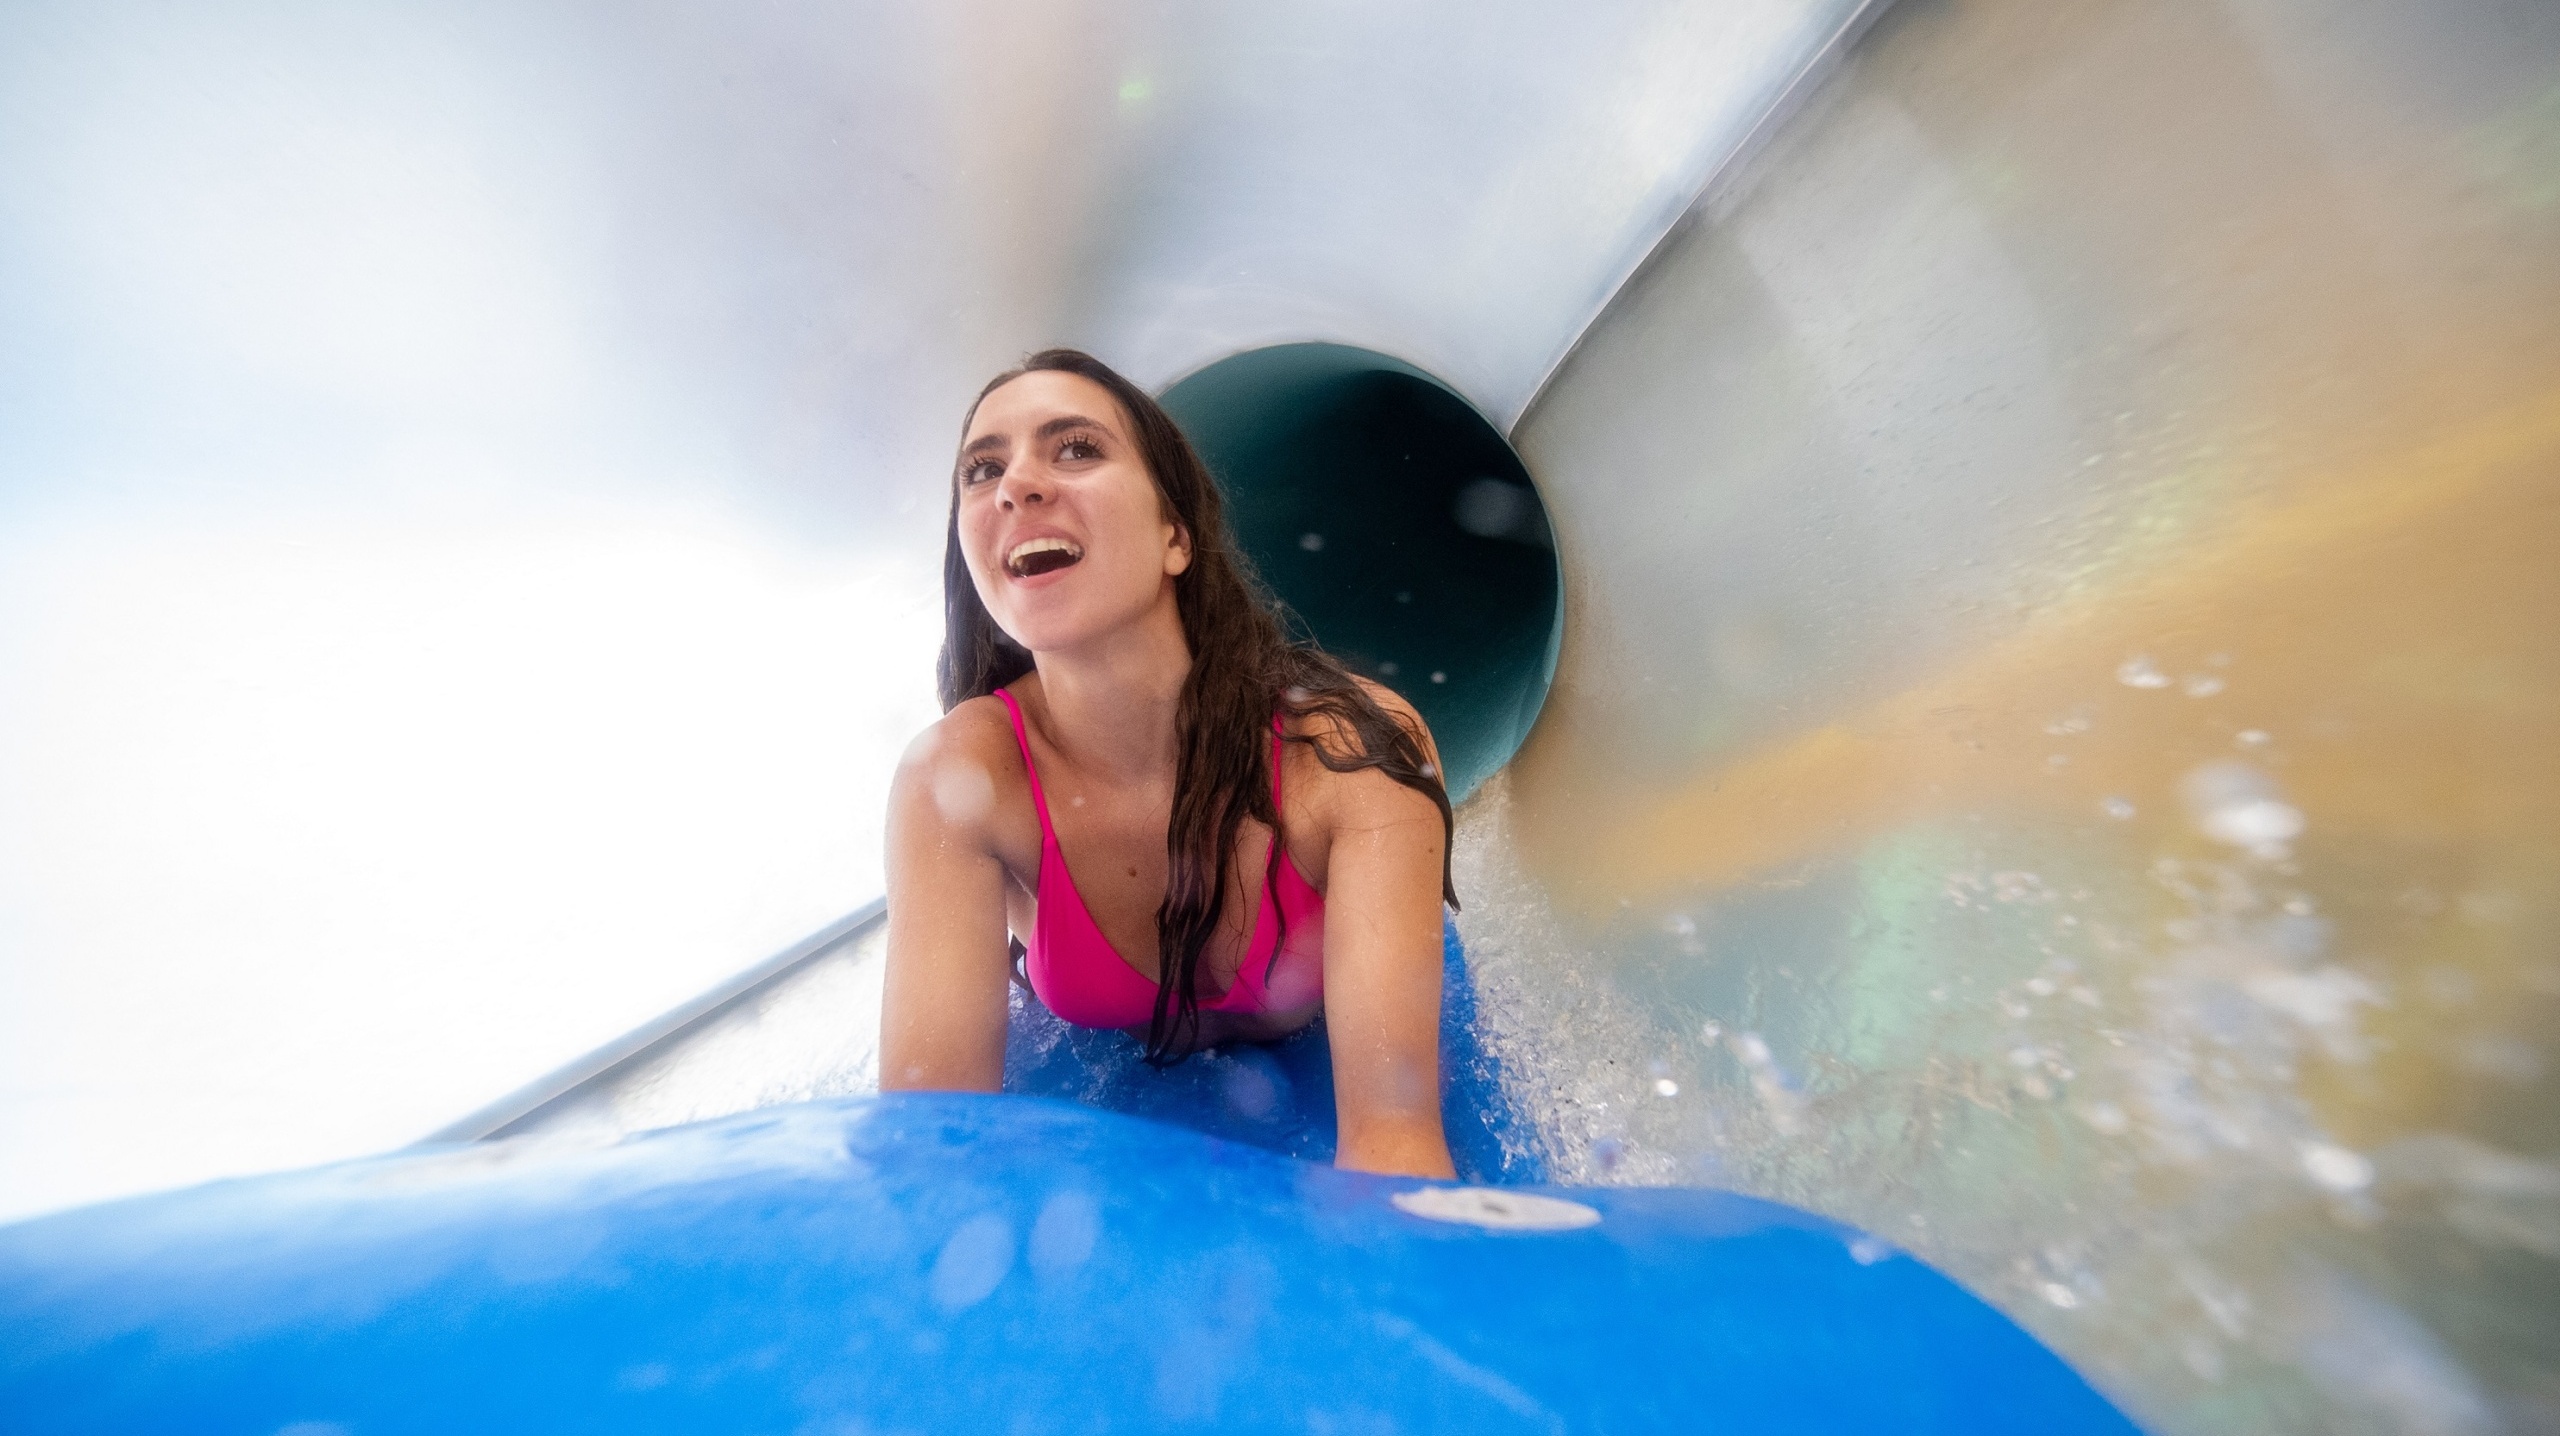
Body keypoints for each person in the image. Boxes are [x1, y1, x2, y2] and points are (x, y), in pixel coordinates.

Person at [880, 348, 1459, 1179]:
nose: (1015, 485)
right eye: (983, 469)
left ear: (1175, 537)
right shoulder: (961, 782)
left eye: (1075, 447)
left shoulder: (1347, 753)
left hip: (1321, 1064)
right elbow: (929, 1161)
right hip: (1119, 1114)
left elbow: (1393, 1142)